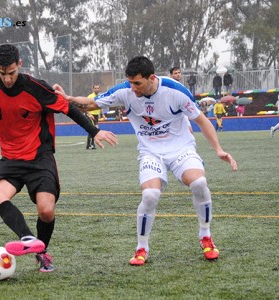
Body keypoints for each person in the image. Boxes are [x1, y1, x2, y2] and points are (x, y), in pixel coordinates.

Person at [54, 56, 237, 266]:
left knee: (199, 183)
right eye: (130, 82)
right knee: (150, 195)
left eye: (137, 83)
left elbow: (202, 120)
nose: (132, 88)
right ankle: (142, 247)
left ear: (151, 78)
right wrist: (67, 98)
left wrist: (219, 150)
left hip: (181, 148)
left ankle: (205, 236)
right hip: (150, 152)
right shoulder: (125, 90)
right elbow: (91, 104)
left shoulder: (175, 91)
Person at [0, 44, 117, 273]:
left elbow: (68, 108)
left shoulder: (36, 88)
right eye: (2, 74)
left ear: (19, 65)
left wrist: (94, 131)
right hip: (10, 160)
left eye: (11, 73)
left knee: (46, 211)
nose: (8, 79)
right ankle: (29, 239)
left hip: (39, 158)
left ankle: (42, 253)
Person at [86, 84, 106, 149]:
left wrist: (103, 114)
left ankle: (90, 144)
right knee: (92, 129)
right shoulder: (90, 96)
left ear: (99, 89)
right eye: (95, 88)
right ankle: (90, 145)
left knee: (95, 129)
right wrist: (89, 114)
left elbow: (101, 106)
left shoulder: (100, 96)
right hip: (90, 115)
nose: (96, 89)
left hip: (96, 116)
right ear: (93, 89)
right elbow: (85, 106)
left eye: (98, 88)